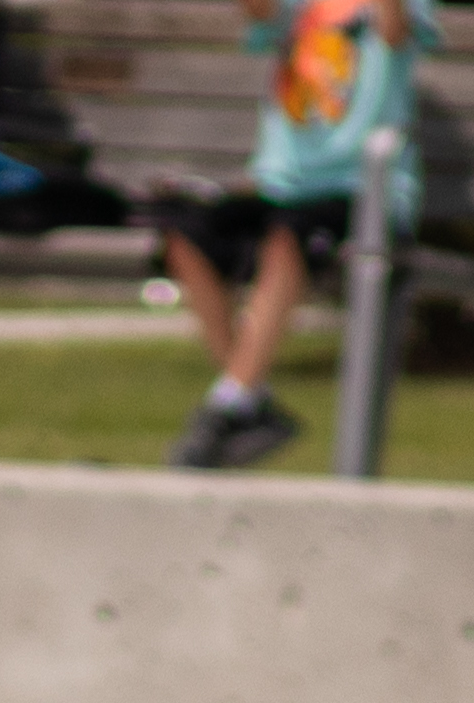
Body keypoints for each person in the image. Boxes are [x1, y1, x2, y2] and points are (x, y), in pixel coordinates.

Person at [154, 0, 432, 471]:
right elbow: (259, 12)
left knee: (286, 240)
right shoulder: (300, 9)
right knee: (187, 236)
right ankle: (244, 398)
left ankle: (228, 405)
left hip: (361, 191)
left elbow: (394, 33)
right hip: (280, 184)